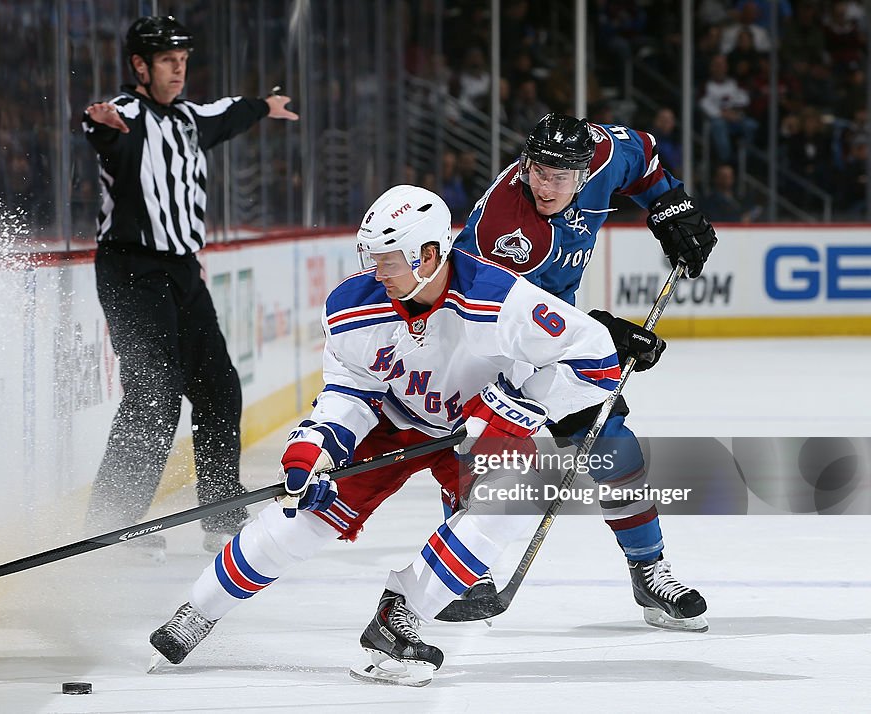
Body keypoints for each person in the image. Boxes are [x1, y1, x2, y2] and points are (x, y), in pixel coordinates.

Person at [148, 184, 622, 686]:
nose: (376, 272)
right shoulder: (352, 305)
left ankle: (399, 616)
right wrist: (316, 443)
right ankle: (198, 610)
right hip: (389, 423)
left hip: (475, 426)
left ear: (430, 255)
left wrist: (515, 410)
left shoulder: (501, 299)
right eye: (371, 258)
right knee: (301, 517)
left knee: (510, 500)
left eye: (389, 261)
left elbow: (597, 360)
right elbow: (350, 390)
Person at [452, 112, 715, 631]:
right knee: (481, 448)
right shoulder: (507, 229)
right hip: (480, 342)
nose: (545, 186)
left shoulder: (605, 155)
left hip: (557, 332)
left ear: (585, 170)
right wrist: (602, 333)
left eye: (560, 177)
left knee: (612, 442)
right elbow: (506, 319)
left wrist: (670, 207)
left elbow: (643, 156)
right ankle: (459, 568)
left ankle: (650, 570)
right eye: (537, 172)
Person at [81, 16, 298, 558]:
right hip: (132, 271)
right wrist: (99, 125)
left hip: (182, 271)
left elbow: (230, 112)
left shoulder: (188, 119)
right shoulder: (126, 115)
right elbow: (105, 133)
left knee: (220, 388)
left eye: (183, 60)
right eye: (167, 61)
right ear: (139, 65)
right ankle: (112, 522)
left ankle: (222, 512)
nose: (179, 70)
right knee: (154, 395)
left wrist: (264, 107)